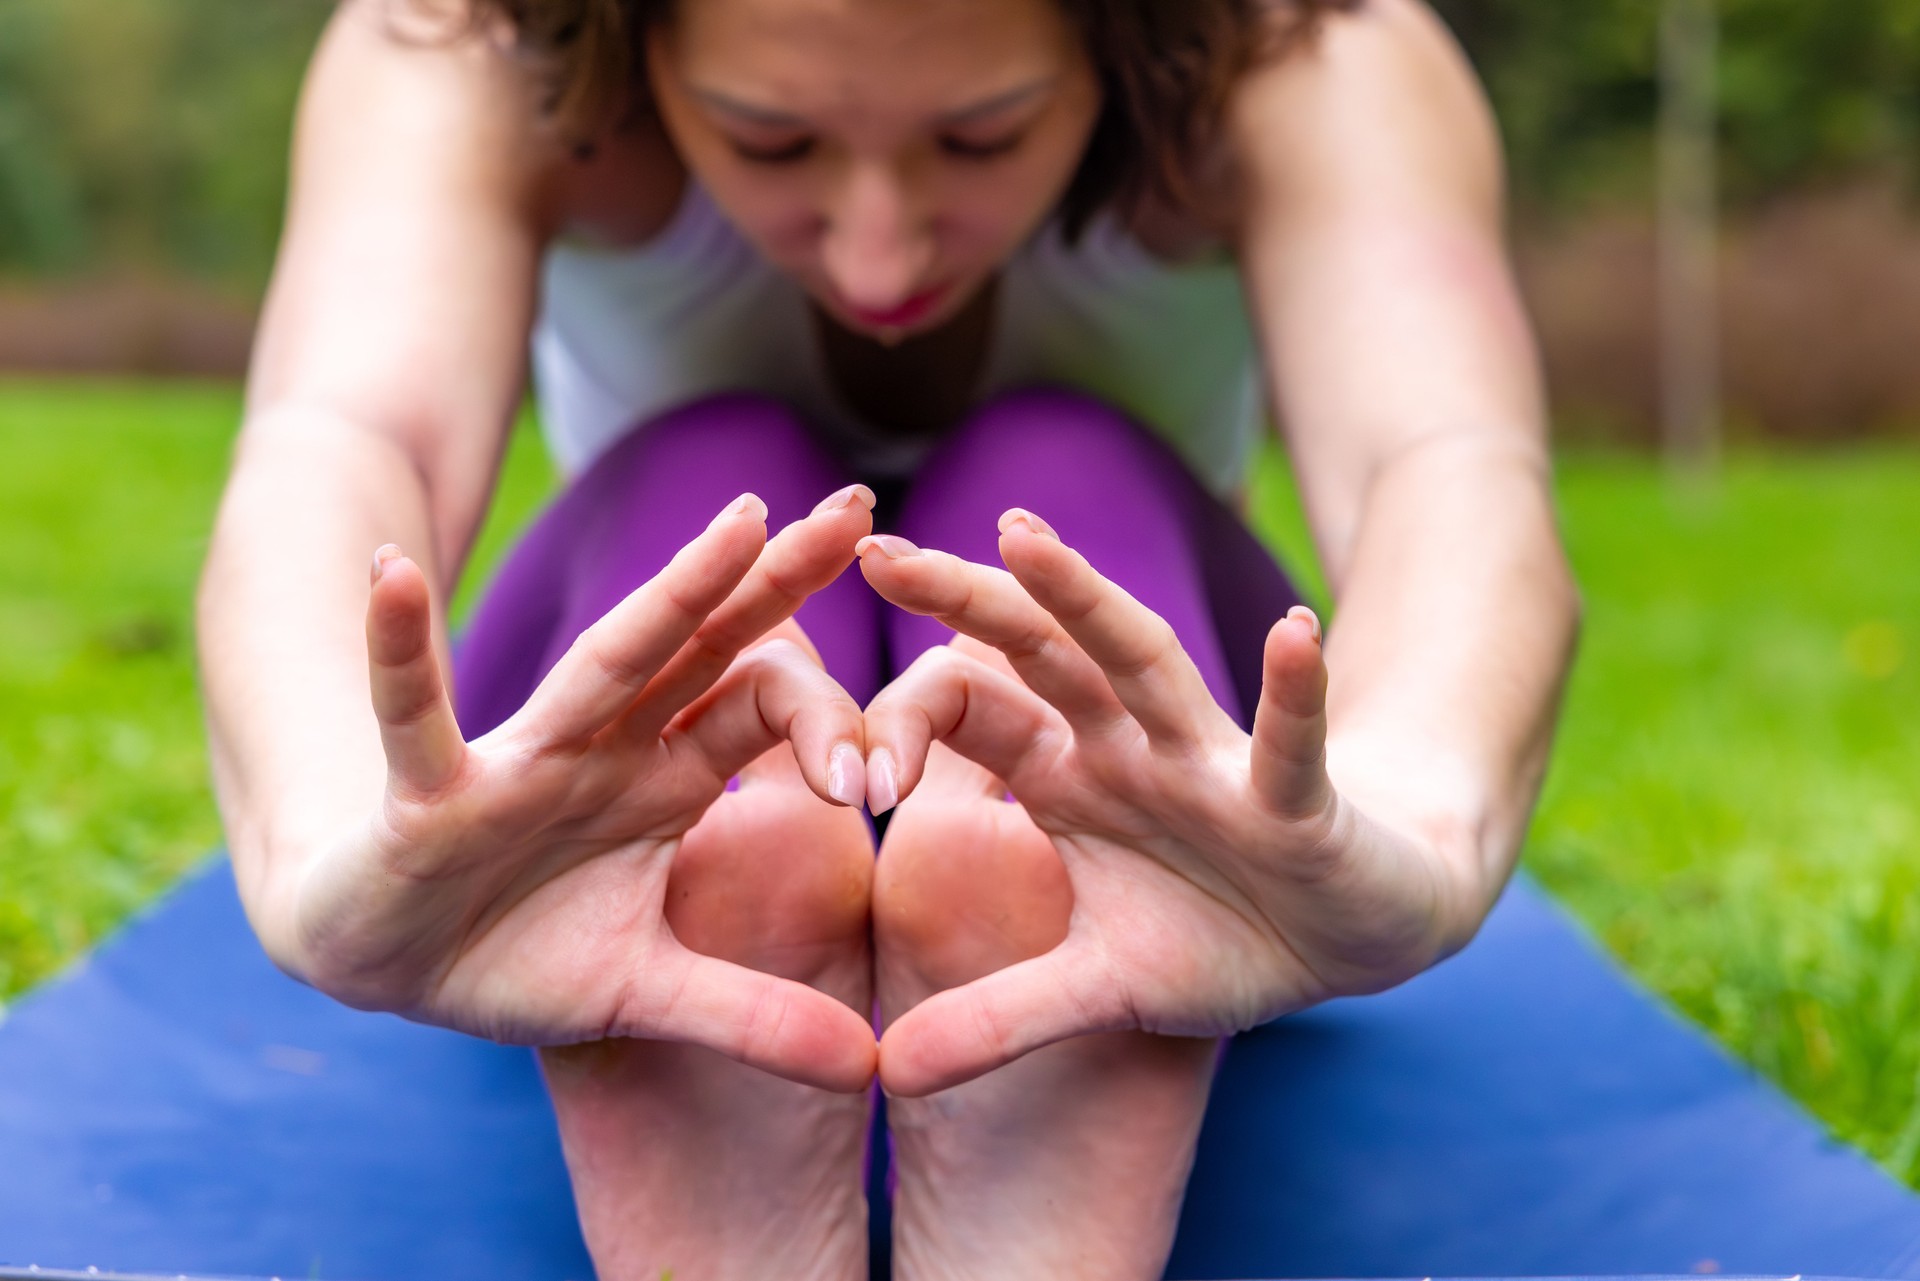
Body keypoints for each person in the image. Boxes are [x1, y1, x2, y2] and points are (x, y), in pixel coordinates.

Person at [195, 0, 1579, 1275]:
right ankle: (746, 853)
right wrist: (323, 837)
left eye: (983, 136)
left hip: (1134, 766)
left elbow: (1444, 464)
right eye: (771, 139)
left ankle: (1014, 896)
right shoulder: (469, 43)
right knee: (729, 501)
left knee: (1050, 489)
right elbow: (343, 441)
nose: (879, 249)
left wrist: (1408, 823)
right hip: (635, 752)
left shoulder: (1305, 46)